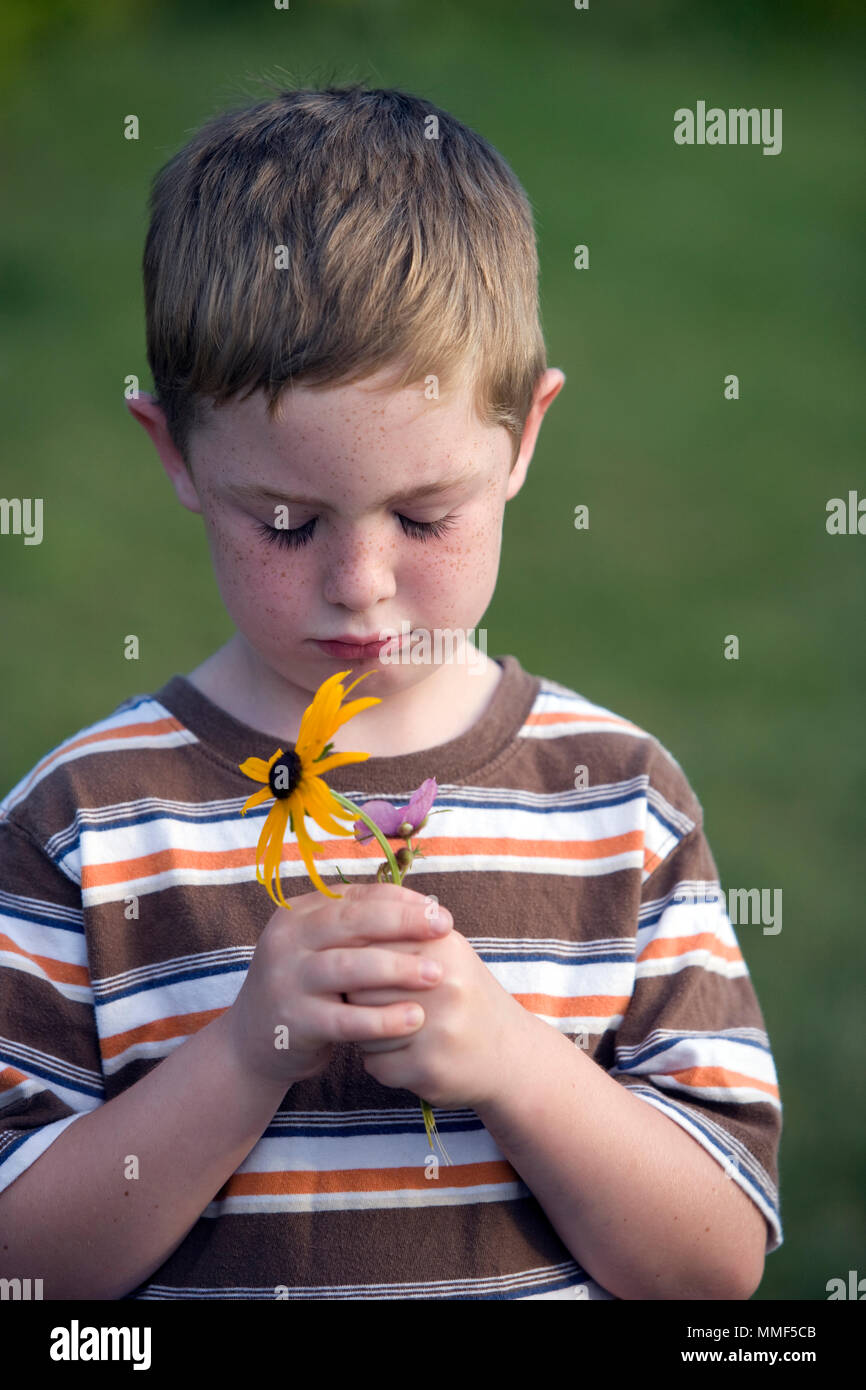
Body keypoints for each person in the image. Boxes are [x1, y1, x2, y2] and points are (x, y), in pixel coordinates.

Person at [0, 83, 782, 1300]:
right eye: (285, 520)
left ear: (524, 438)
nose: (360, 590)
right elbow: (26, 1276)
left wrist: (515, 1066)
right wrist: (247, 1053)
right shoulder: (85, 822)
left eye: (424, 515)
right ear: (175, 456)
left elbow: (712, 1266)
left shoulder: (618, 801)